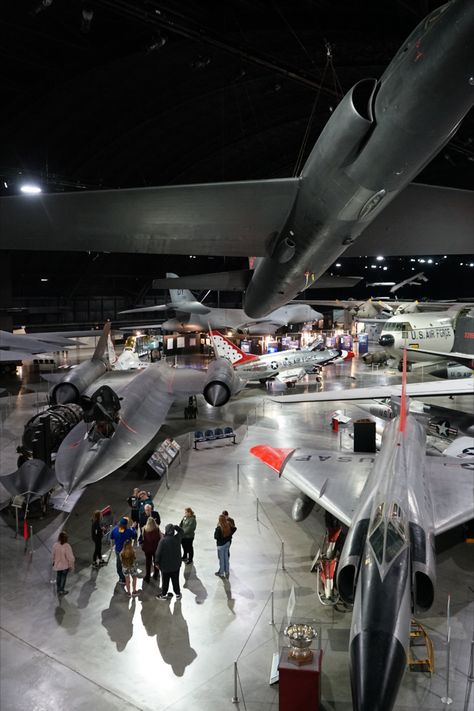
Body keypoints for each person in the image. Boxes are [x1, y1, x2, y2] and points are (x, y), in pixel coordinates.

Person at [155, 524, 183, 600]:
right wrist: (176, 527)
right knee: (175, 580)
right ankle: (177, 594)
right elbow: (181, 531)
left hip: (165, 566)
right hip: (176, 565)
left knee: (165, 581)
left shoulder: (163, 541)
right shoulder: (177, 539)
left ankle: (164, 594)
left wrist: (156, 563)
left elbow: (158, 553)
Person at [110, 516, 137, 585]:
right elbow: (134, 536)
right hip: (127, 552)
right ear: (126, 525)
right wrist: (133, 528)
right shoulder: (129, 531)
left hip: (118, 551)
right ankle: (130, 575)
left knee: (119, 565)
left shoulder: (115, 530)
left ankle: (122, 578)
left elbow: (111, 537)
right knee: (129, 564)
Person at [51, 531, 75, 596]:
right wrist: (71, 566)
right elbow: (70, 558)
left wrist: (53, 562)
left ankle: (58, 589)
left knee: (58, 576)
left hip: (58, 566)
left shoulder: (55, 545)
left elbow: (52, 555)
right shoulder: (67, 546)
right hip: (65, 566)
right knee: (63, 578)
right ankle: (61, 590)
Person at [214, 514, 236, 578]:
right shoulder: (228, 524)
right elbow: (234, 528)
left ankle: (221, 573)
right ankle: (227, 571)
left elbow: (215, 537)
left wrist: (222, 537)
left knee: (221, 559)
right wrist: (229, 536)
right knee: (226, 558)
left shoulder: (219, 528)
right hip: (227, 543)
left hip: (221, 545)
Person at [142, 516, 162, 583]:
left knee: (148, 563)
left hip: (147, 549)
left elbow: (143, 538)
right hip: (156, 549)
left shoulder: (144, 529)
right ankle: (156, 575)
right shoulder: (157, 529)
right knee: (156, 562)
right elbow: (160, 538)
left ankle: (147, 577)